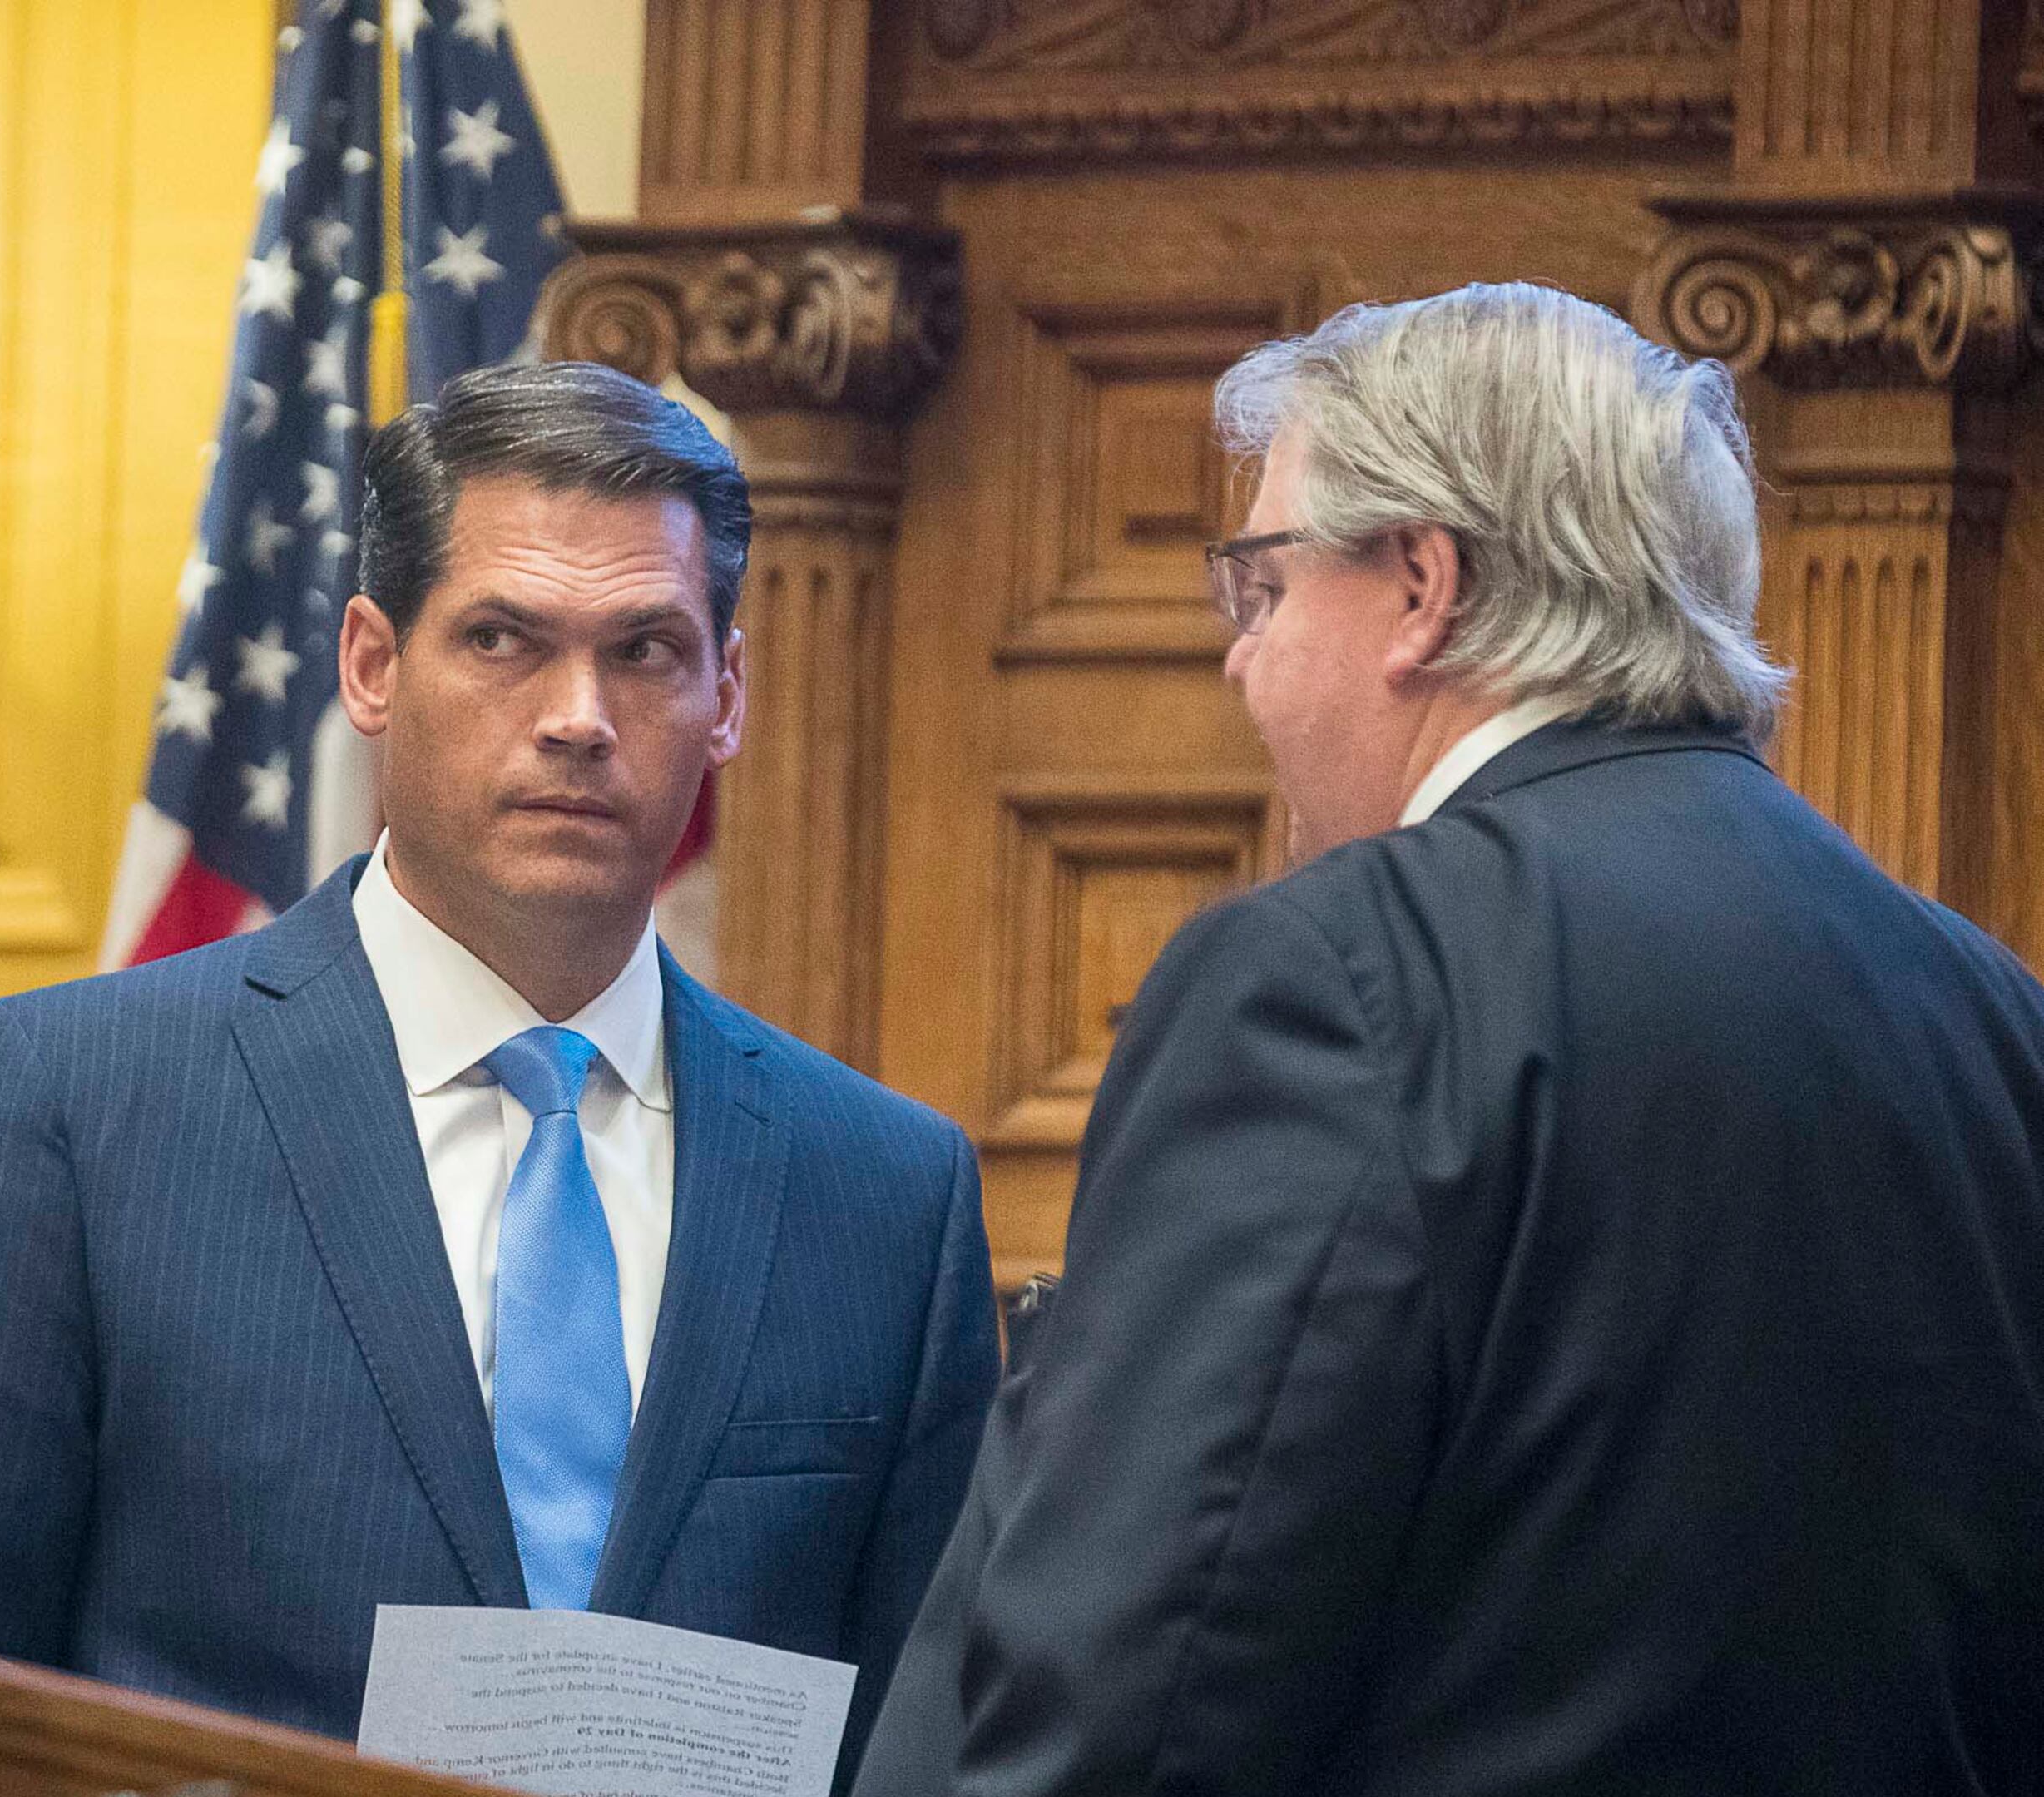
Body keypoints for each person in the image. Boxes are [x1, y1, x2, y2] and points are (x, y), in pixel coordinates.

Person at [856, 283, 2044, 1796]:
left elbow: (1138, 1705)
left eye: (1264, 590)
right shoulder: (1990, 1014)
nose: (1238, 663)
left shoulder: (1338, 977)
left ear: (1423, 585)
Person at [0, 362, 997, 1775]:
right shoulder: (67, 1108)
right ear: (370, 664)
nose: (578, 714)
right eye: (502, 638)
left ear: (726, 694)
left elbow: (932, 1737)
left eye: (647, 651)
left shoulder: (887, 1194)